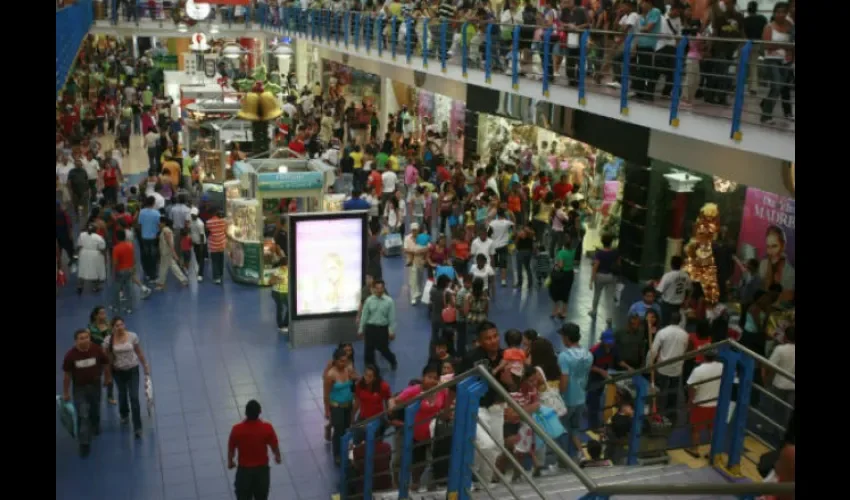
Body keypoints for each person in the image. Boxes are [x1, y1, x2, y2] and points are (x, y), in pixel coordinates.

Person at [62, 328, 112, 457]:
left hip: (95, 386)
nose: (85, 340)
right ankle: (84, 443)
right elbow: (67, 375)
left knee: (95, 409)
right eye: (81, 338)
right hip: (80, 389)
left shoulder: (96, 349)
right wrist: (66, 392)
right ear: (76, 341)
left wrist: (107, 378)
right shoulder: (70, 356)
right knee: (83, 415)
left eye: (86, 337)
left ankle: (95, 425)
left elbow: (106, 363)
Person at [103, 317, 150, 439]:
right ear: (112, 327)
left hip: (133, 370)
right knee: (122, 394)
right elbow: (107, 360)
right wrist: (107, 376)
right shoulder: (109, 341)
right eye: (117, 325)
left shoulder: (132, 336)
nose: (120, 327)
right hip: (118, 372)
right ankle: (124, 413)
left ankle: (137, 427)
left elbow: (138, 352)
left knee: (134, 397)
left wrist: (145, 365)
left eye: (121, 324)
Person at [227, 400, 282, 500]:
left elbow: (231, 449)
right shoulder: (267, 428)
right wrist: (277, 456)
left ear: (246, 413)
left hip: (244, 473)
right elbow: (274, 445)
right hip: (261, 473)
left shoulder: (237, 430)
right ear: (259, 412)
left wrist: (230, 462)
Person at [558, 322, 593, 459]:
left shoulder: (564, 357)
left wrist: (559, 395)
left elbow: (564, 379)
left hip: (568, 399)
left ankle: (563, 460)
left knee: (562, 430)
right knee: (575, 428)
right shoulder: (589, 355)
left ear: (566, 338)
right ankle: (579, 455)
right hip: (581, 398)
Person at [649, 310, 689, 421]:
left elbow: (654, 350)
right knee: (673, 391)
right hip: (677, 368)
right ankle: (670, 413)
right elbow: (684, 351)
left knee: (661, 389)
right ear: (680, 321)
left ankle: (658, 410)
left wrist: (650, 363)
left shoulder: (662, 332)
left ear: (670, 320)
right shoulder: (685, 335)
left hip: (663, 366)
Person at [686, 349, 722, 457]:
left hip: (700, 403)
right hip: (716, 402)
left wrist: (690, 400)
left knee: (695, 428)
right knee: (712, 428)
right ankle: (713, 451)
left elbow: (692, 387)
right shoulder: (722, 367)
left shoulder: (698, 370)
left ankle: (695, 449)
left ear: (703, 356)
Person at [324, 348, 356, 465]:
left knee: (346, 428)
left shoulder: (349, 369)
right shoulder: (331, 375)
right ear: (335, 361)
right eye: (341, 361)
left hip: (348, 405)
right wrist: (327, 410)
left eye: (345, 361)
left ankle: (346, 449)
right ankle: (337, 454)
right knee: (338, 431)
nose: (344, 363)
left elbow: (356, 380)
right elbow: (326, 394)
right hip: (337, 406)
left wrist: (353, 377)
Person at [358, 279, 398, 370]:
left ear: (384, 289)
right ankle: (370, 368)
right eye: (377, 288)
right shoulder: (369, 301)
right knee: (369, 349)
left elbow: (391, 318)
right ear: (374, 289)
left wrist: (391, 331)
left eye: (381, 288)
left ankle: (392, 360)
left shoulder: (389, 301)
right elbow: (364, 316)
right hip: (370, 328)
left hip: (382, 328)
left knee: (383, 349)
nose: (379, 290)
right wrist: (361, 329)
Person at [588, 233, 619, 318]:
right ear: (611, 242)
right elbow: (618, 264)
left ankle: (594, 311)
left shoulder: (599, 253)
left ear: (602, 242)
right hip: (611, 276)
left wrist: (591, 280)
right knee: (609, 297)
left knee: (597, 294)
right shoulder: (615, 253)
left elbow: (595, 267)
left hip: (600, 276)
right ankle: (609, 317)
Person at [656, 255, 692, 326]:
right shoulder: (686, 276)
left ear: (671, 264)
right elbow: (688, 290)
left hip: (667, 305)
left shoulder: (668, 276)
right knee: (676, 324)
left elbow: (659, 291)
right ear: (681, 265)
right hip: (679, 305)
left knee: (665, 324)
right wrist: (685, 300)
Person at [155, 219, 188, 290]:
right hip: (166, 252)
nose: (158, 224)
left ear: (164, 223)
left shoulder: (165, 230)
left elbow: (169, 242)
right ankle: (183, 279)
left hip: (166, 253)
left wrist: (174, 253)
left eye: (160, 222)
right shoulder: (166, 230)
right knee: (173, 266)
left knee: (163, 268)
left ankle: (161, 283)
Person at [76, 224, 107, 295]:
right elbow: (102, 248)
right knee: (95, 270)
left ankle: (80, 287)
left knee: (82, 270)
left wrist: (76, 255)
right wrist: (104, 256)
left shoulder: (82, 235)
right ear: (96, 230)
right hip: (95, 255)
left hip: (83, 254)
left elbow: (79, 245)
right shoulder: (99, 237)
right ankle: (95, 287)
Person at [137, 196, 161, 283]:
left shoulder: (141, 212)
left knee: (145, 255)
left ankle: (146, 273)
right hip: (153, 237)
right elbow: (159, 225)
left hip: (144, 237)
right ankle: (153, 275)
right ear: (153, 203)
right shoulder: (156, 213)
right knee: (153, 256)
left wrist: (142, 233)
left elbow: (139, 225)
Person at [268, 257, 290, 334]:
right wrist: (278, 280)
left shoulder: (289, 270)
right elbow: (270, 282)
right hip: (277, 292)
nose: (285, 267)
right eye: (284, 266)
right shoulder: (277, 271)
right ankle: (280, 326)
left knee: (290, 308)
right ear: (281, 265)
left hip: (285, 292)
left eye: (287, 266)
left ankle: (286, 323)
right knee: (280, 308)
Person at [206, 210, 228, 284]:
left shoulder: (208, 222)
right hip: (222, 244)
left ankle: (216, 278)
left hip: (213, 246)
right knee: (221, 260)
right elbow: (225, 231)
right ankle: (221, 274)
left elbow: (208, 231)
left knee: (215, 261)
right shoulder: (224, 222)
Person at [188, 207, 206, 282]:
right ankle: (199, 269)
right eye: (191, 215)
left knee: (201, 258)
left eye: (193, 215)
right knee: (197, 257)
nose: (192, 216)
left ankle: (200, 275)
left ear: (197, 215)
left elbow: (202, 235)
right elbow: (191, 231)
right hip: (195, 242)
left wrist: (201, 246)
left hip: (201, 243)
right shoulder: (191, 221)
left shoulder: (200, 223)